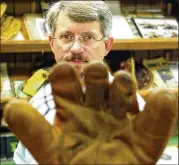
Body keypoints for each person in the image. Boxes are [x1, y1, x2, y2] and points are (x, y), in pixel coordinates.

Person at [10, 0, 150, 164]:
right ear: (52, 43)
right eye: (66, 37)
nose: (76, 48)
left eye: (88, 37)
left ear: (107, 45)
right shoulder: (39, 100)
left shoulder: (130, 107)